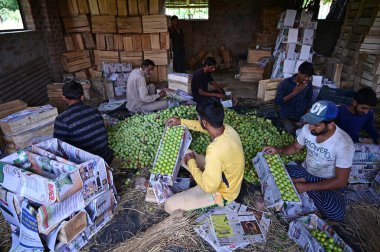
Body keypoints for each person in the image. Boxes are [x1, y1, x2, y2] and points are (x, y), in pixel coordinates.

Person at [263, 100, 354, 221]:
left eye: (316, 125)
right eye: (310, 122)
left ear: (331, 125)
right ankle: (305, 188)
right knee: (272, 174)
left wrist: (307, 187)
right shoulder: (307, 130)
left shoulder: (343, 144)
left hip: (328, 180)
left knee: (336, 213)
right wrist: (278, 150)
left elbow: (341, 181)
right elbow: (296, 147)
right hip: (306, 171)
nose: (311, 127)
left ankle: (305, 188)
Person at [164, 99, 245, 213]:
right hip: (224, 175)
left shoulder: (215, 150)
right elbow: (201, 126)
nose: (198, 120)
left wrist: (191, 163)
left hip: (223, 194)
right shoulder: (228, 129)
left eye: (199, 118)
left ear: (205, 122)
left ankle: (211, 200)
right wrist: (181, 121)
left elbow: (209, 187)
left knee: (169, 206)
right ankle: (196, 174)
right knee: (184, 153)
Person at [53, 80, 113, 164]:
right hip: (106, 158)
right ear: (82, 96)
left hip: (88, 164)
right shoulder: (94, 111)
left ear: (64, 97)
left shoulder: (61, 119)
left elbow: (58, 147)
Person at [275, 61, 314, 135]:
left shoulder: (308, 84)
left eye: (309, 77)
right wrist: (294, 93)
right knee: (293, 132)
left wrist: (304, 119)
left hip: (301, 118)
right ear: (299, 72)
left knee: (310, 132)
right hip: (286, 117)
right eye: (305, 76)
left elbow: (309, 101)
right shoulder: (286, 83)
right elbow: (278, 101)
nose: (307, 79)